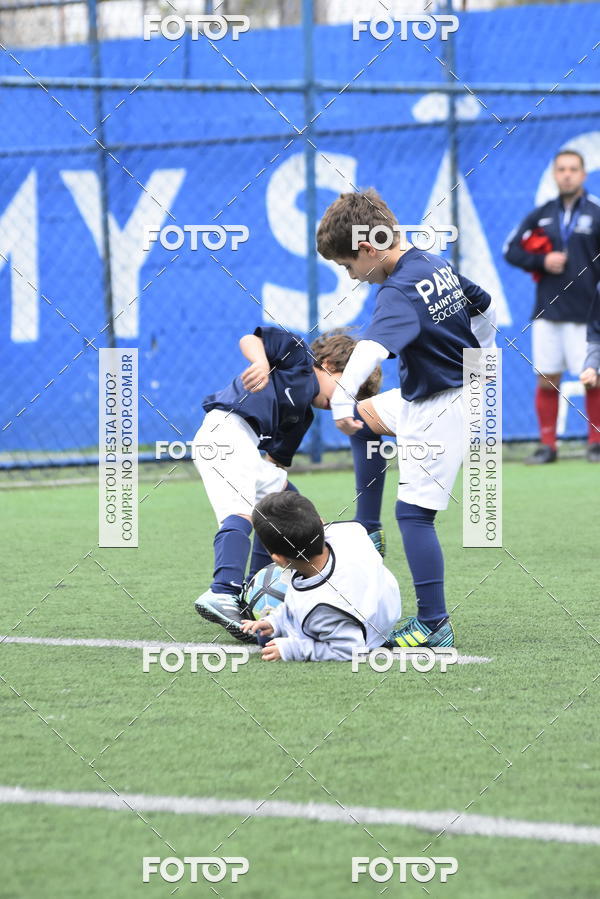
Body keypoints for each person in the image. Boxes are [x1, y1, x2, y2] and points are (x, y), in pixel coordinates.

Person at [316, 188, 495, 649]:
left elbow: (371, 349)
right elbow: (486, 303)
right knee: (367, 417)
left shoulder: (396, 291)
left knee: (414, 515)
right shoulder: (430, 263)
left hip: (440, 407)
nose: (352, 276)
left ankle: (434, 623)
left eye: (348, 265)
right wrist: (483, 359)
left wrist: (338, 401)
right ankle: (367, 529)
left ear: (369, 249)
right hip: (447, 392)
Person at [192, 325, 380, 641]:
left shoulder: (302, 418)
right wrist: (262, 363)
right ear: (332, 365)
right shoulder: (298, 357)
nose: (346, 400)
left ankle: (252, 587)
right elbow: (249, 339)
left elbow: (274, 466)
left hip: (246, 448)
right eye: (349, 388)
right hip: (224, 433)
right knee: (239, 513)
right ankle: (222, 592)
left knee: (285, 507)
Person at [504, 148, 600, 463]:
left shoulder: (596, 211)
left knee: (592, 377)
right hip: (548, 311)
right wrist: (542, 260)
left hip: (587, 313)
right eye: (562, 169)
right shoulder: (542, 213)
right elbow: (511, 249)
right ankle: (549, 446)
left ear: (583, 174)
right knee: (547, 377)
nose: (567, 174)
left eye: (573, 169)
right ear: (555, 175)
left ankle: (596, 444)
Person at [241, 491, 401, 662]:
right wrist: (275, 621)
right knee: (270, 634)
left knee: (267, 642)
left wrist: (293, 649)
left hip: (371, 630)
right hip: (384, 600)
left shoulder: (322, 606)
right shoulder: (347, 532)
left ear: (278, 559)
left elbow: (350, 650)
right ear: (321, 523)